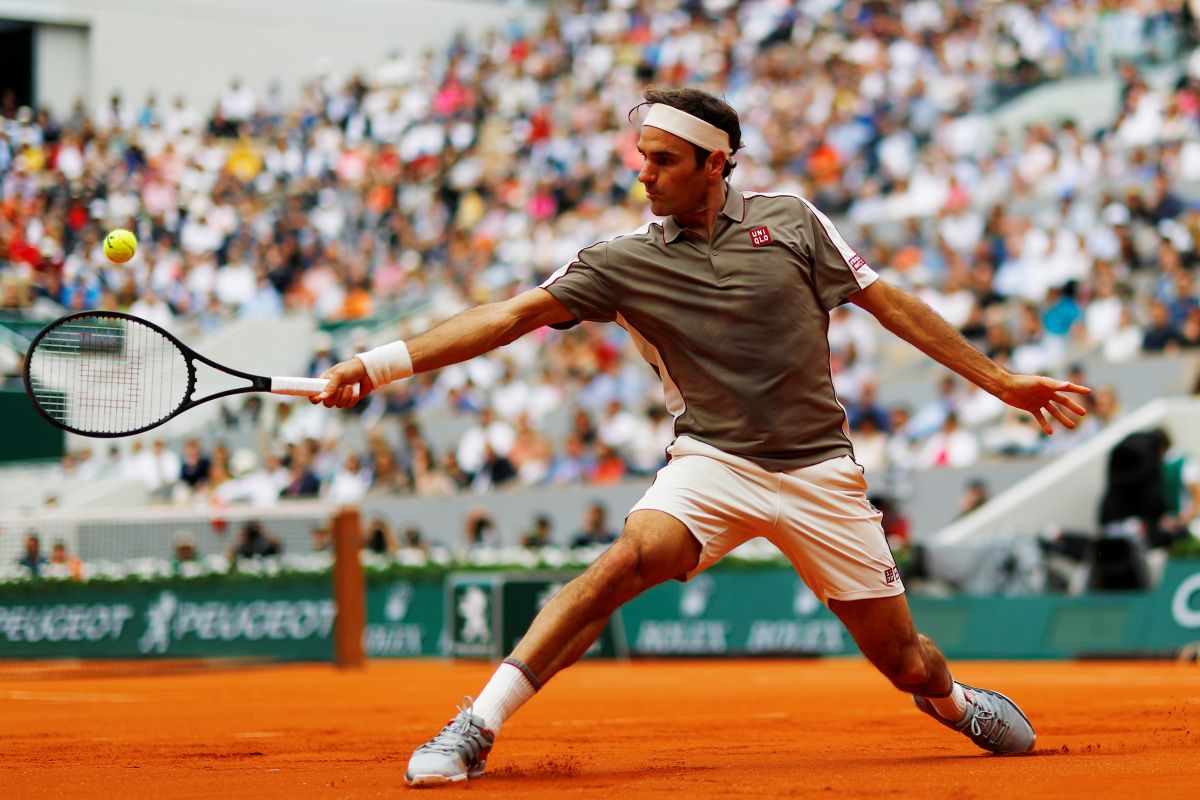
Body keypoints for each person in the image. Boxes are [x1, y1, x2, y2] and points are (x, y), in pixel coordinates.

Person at [313, 88, 1090, 785]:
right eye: (640, 160)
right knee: (625, 560)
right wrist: (375, 365)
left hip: (821, 474)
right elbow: (509, 317)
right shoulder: (620, 261)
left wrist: (1002, 382)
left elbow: (890, 305)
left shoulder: (792, 220)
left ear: (715, 164)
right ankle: (475, 728)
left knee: (906, 664)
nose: (643, 176)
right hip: (712, 463)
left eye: (661, 161)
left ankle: (952, 703)